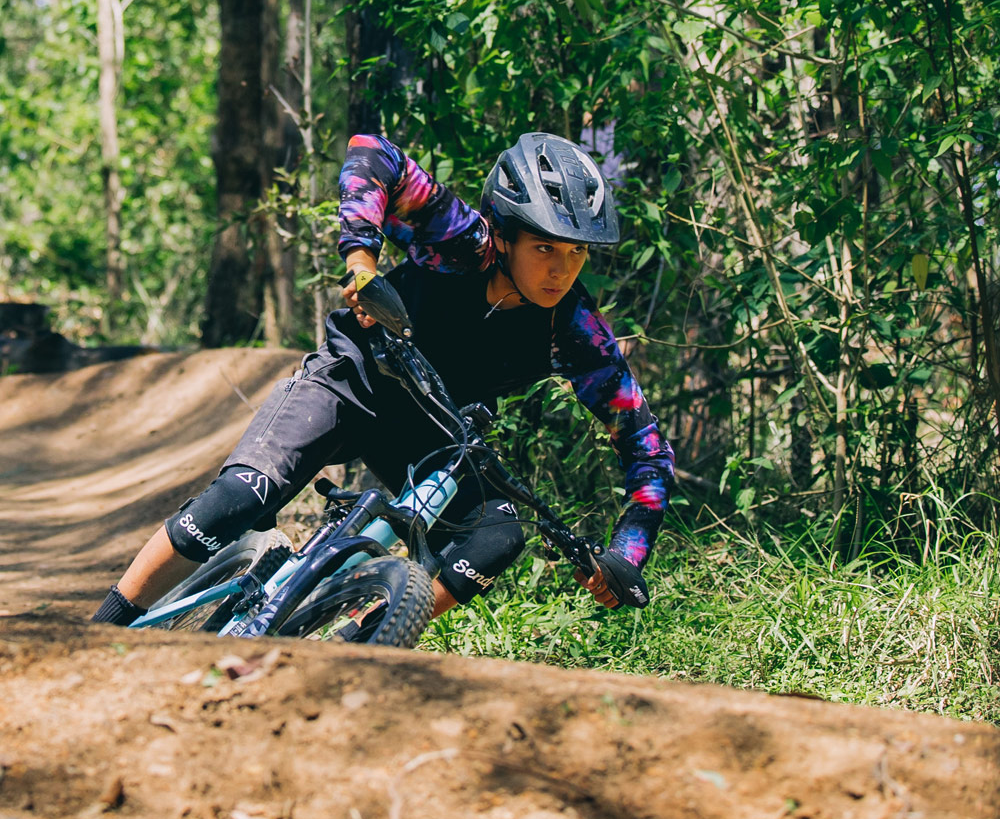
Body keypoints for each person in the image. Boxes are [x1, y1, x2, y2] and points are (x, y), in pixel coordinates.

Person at [92, 132, 675, 626]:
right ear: (503, 233)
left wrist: (626, 554)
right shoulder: (459, 240)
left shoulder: (576, 329)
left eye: (576, 253)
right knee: (239, 499)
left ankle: (368, 643)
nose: (561, 269)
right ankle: (102, 630)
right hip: (350, 383)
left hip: (433, 433)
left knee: (499, 535)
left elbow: (648, 455)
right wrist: (361, 258)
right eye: (544, 247)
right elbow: (372, 153)